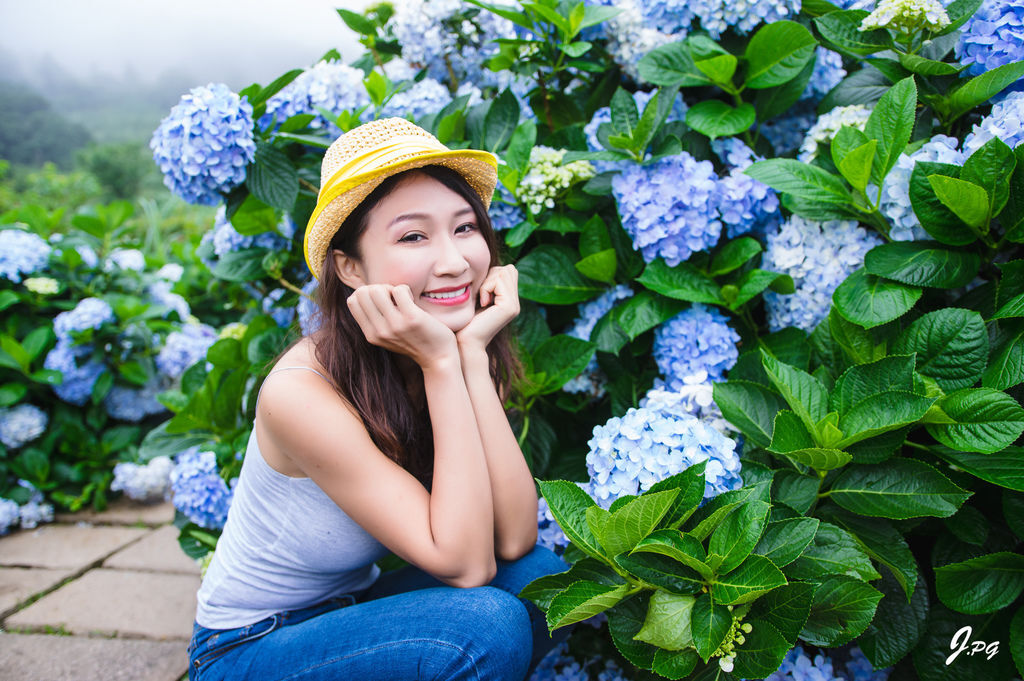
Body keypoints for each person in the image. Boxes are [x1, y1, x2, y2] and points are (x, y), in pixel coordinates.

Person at [186, 117, 572, 681]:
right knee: (485, 627)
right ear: (349, 266)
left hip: (354, 616)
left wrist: (468, 358)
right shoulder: (300, 392)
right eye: (414, 237)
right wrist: (443, 363)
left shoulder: (441, 345)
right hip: (248, 649)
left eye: (465, 229)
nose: (454, 261)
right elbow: (466, 567)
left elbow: (513, 538)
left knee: (538, 577)